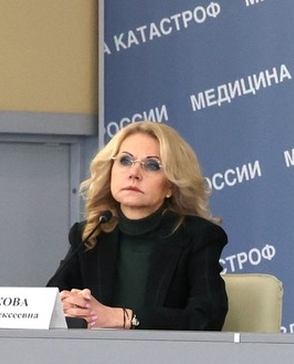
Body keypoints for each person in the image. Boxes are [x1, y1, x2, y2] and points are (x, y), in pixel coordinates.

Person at [49, 121, 228, 331]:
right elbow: (50, 302)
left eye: (152, 165)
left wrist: (122, 318)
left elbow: (207, 318)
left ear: (170, 186)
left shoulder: (198, 236)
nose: (134, 173)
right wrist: (69, 305)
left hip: (166, 352)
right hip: (94, 351)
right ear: (110, 171)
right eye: (125, 161)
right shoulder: (89, 235)